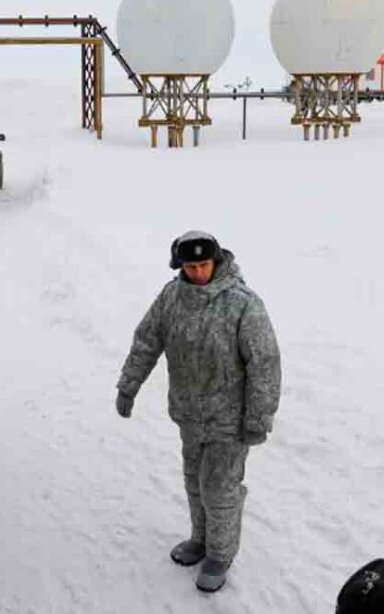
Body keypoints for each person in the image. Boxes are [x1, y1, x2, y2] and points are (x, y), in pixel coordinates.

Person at [116, 230, 282, 593]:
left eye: (205, 264)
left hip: (230, 419)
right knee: (195, 482)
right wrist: (129, 385)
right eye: (191, 266)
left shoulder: (242, 304)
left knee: (219, 488)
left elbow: (264, 362)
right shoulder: (171, 297)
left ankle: (220, 554)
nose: (199, 272)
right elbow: (147, 340)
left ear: (217, 261)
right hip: (190, 415)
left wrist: (258, 418)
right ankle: (201, 540)